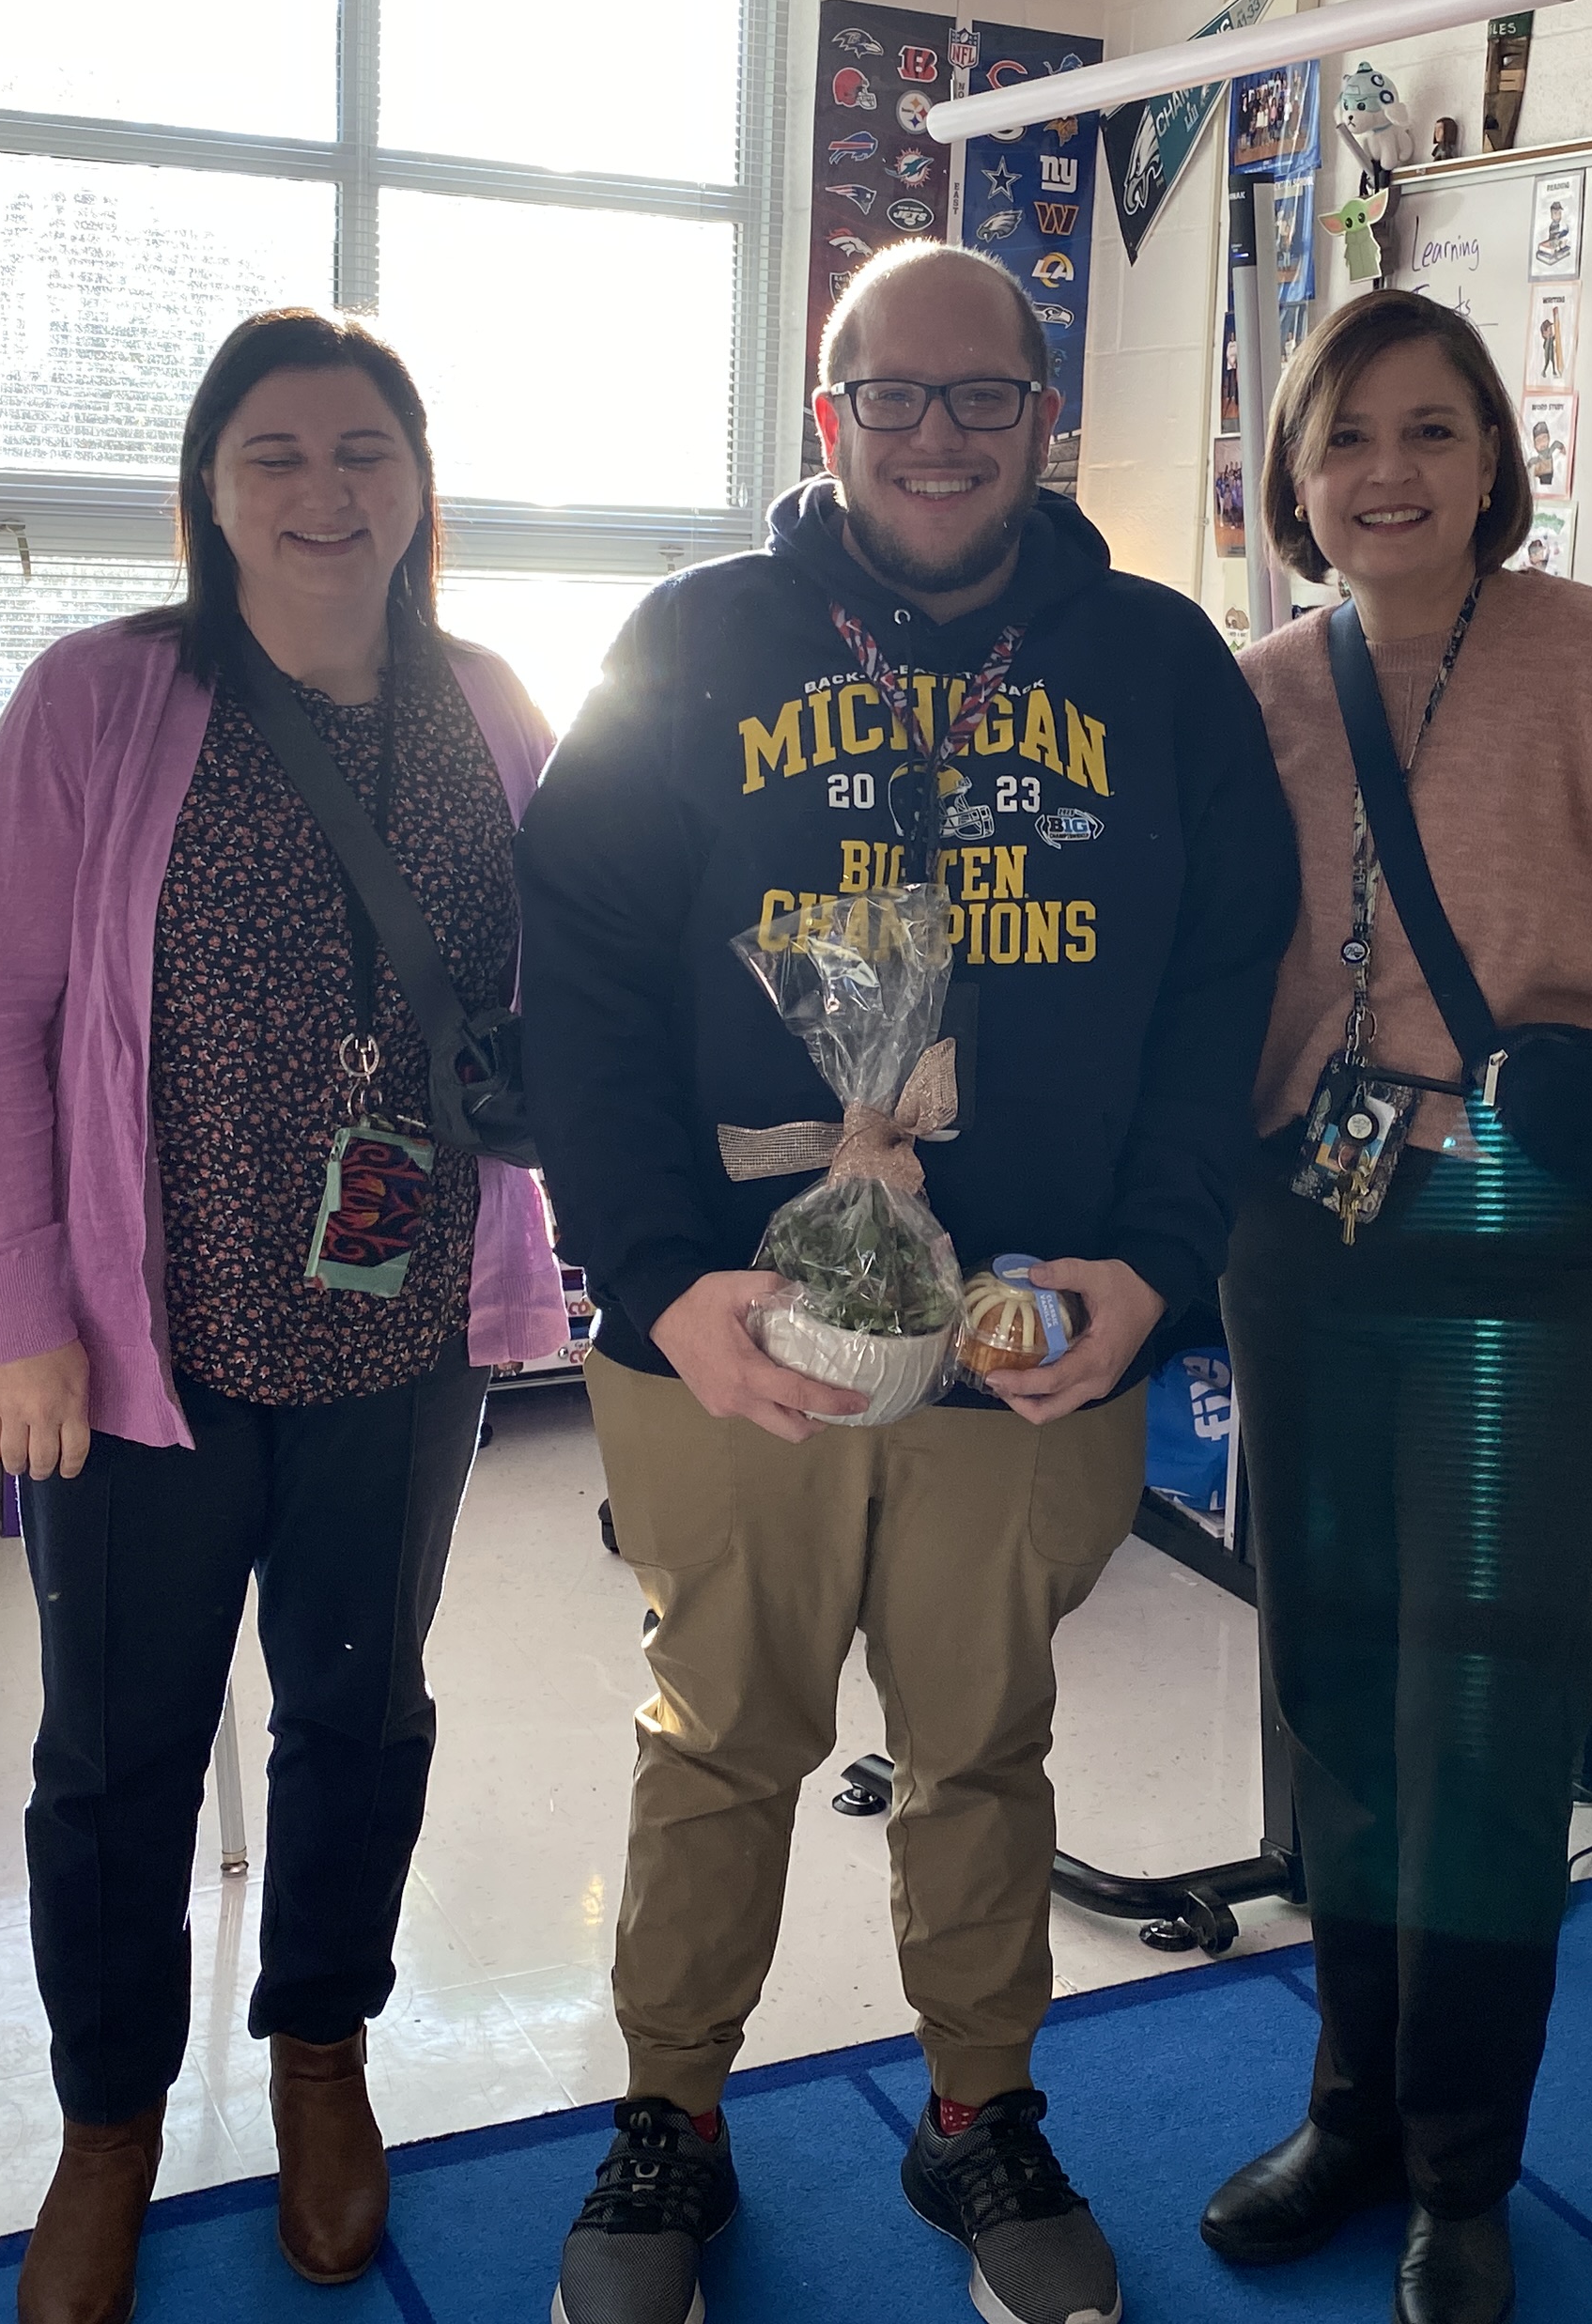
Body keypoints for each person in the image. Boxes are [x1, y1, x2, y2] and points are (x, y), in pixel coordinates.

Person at [518, 240, 1297, 2324]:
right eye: (898, 396)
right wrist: (657, 1279)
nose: (940, 439)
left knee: (984, 1745)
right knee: (719, 1737)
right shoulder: (688, 645)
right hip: (736, 1333)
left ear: (1048, 419)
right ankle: (670, 2119)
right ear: (825, 407)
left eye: (985, 398)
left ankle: (977, 2115)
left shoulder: (1156, 666)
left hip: (1040, 1332)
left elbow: (1230, 991)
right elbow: (575, 988)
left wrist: (1160, 1268)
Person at [0, 309, 570, 2324]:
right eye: (276, 454)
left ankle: (322, 2056)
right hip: (142, 1354)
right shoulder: (97, 701)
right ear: (209, 492)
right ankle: (107, 2123)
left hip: (399, 1349)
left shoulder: (489, 708)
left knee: (359, 1716)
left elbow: (578, 988)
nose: (325, 491)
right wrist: (20, 1306)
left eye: (364, 448)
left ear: (419, 482)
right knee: (115, 1755)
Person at [1200, 289, 1592, 2324]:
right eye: (1349, 435)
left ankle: (1466, 2166)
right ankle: (1350, 2103)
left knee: (1484, 1698)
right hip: (1306, 1222)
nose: (1390, 472)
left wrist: (1581, 1113)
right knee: (1333, 1681)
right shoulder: (1259, 690)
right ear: (1296, 470)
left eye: (1434, 430)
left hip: (1523, 1230)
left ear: (1495, 458)